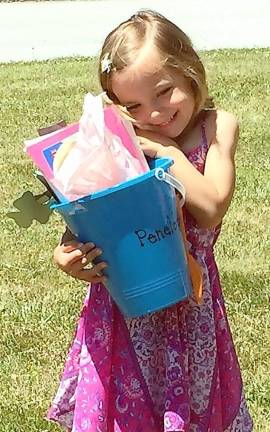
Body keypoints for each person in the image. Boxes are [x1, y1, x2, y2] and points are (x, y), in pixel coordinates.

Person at [48, 10, 253, 432]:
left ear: (190, 72)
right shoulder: (120, 142)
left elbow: (212, 205)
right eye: (135, 105)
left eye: (164, 92)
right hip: (125, 309)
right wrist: (69, 257)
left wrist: (168, 154)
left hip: (189, 303)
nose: (155, 114)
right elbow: (87, 220)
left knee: (193, 410)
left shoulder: (216, 129)